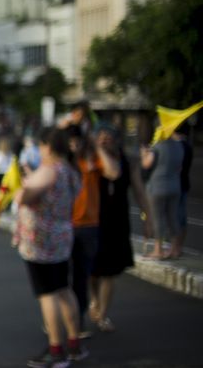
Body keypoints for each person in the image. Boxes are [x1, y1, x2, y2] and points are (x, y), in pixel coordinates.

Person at [14, 127, 85, 368]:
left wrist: (20, 187)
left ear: (47, 147)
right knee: (63, 289)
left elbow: (26, 196)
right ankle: (74, 343)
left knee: (48, 294)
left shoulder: (50, 170)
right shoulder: (70, 171)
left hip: (41, 242)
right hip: (62, 238)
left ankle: (56, 349)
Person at [88, 127, 151, 333]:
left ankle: (103, 313)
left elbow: (140, 191)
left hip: (117, 223)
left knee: (110, 272)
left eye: (108, 138)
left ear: (117, 141)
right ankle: (95, 300)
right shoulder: (93, 160)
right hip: (93, 222)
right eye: (101, 138)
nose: (104, 142)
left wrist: (147, 217)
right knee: (92, 272)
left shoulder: (128, 162)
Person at [65, 124, 120, 336]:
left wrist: (98, 148)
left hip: (88, 227)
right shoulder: (62, 163)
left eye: (77, 141)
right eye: (70, 142)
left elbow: (113, 172)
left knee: (82, 278)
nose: (74, 145)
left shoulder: (91, 160)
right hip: (65, 226)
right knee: (62, 279)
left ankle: (77, 323)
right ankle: (58, 319)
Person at [141, 135, 185, 259]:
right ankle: (175, 249)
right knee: (173, 218)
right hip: (175, 186)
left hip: (158, 187)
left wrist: (144, 153)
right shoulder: (179, 146)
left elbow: (146, 164)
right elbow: (180, 167)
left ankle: (158, 250)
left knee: (157, 218)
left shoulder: (158, 146)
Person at [173, 124, 193, 254]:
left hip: (175, 184)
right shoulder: (188, 146)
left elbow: (177, 167)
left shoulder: (178, 146)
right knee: (181, 217)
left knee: (175, 217)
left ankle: (175, 248)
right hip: (184, 183)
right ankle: (178, 247)